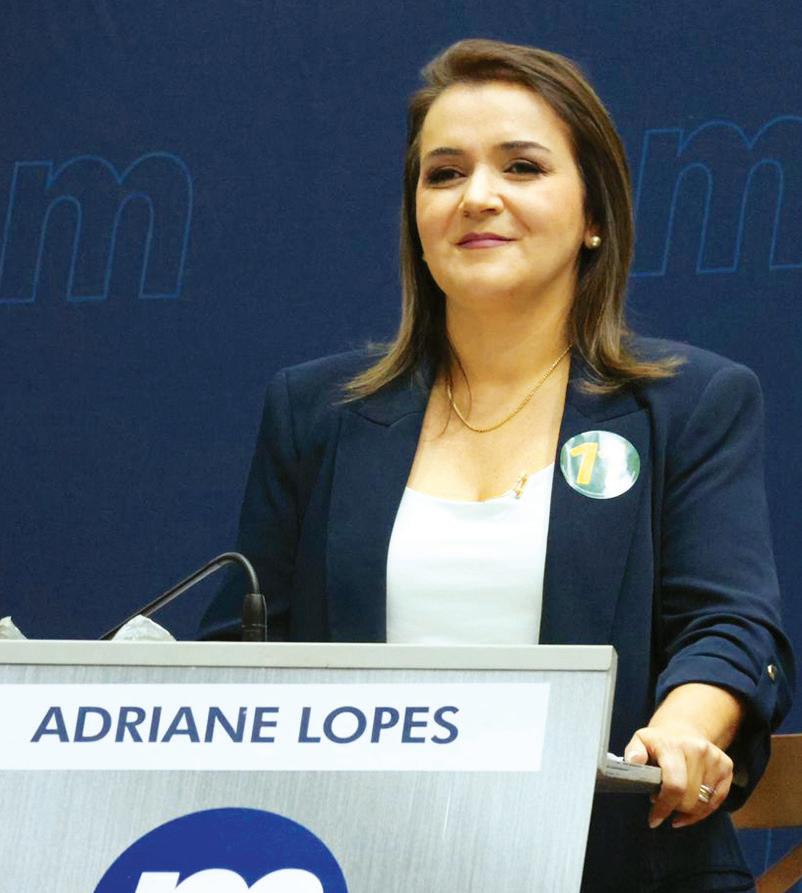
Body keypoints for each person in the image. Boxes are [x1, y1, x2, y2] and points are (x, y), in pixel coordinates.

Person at [200, 38, 794, 892]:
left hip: (617, 865)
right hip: (362, 861)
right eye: (444, 174)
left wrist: (685, 727)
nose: (477, 196)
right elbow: (239, 649)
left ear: (593, 215)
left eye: (522, 167)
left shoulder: (693, 403)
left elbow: (731, 626)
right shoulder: (317, 413)